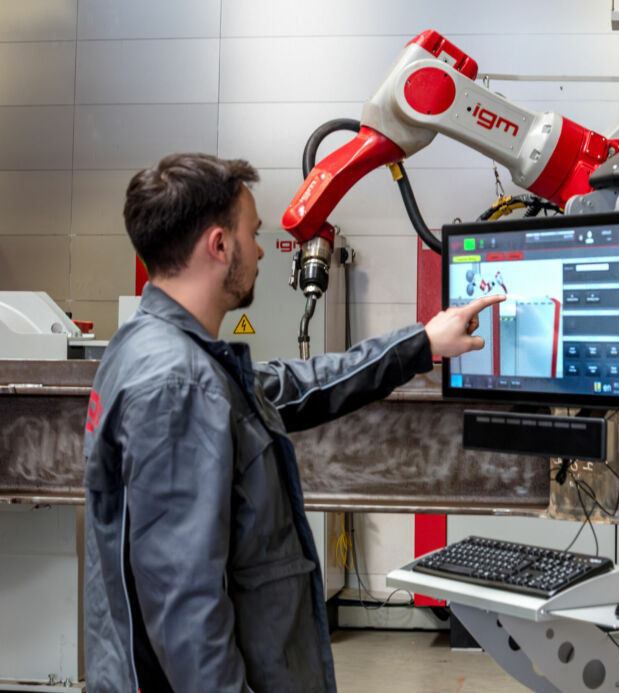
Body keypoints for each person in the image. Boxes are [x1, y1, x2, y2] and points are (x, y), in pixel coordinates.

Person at [82, 152, 503, 692]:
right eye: (253, 233)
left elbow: (298, 385)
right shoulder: (177, 385)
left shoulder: (153, 349)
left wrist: (421, 342)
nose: (260, 250)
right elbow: (185, 606)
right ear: (219, 245)